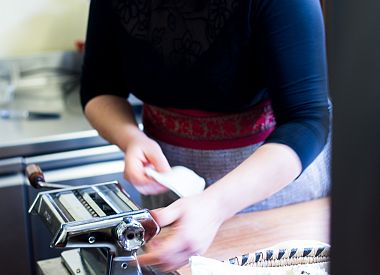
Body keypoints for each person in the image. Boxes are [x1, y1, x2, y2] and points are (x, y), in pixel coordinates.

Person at [80, 0, 331, 271]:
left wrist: (214, 206)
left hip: (270, 184)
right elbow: (98, 89)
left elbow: (307, 120)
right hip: (169, 184)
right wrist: (130, 138)